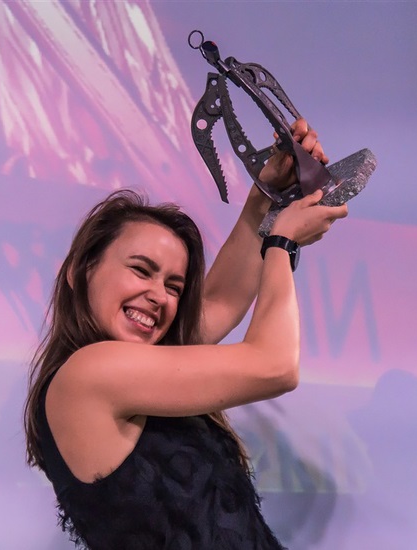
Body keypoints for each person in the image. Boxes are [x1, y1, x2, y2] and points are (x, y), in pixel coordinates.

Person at [23, 119, 348, 549]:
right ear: (79, 273)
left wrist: (267, 198)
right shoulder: (90, 372)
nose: (159, 296)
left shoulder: (138, 372)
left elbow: (221, 300)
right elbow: (275, 366)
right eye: (141, 270)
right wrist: (282, 243)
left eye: (174, 286)